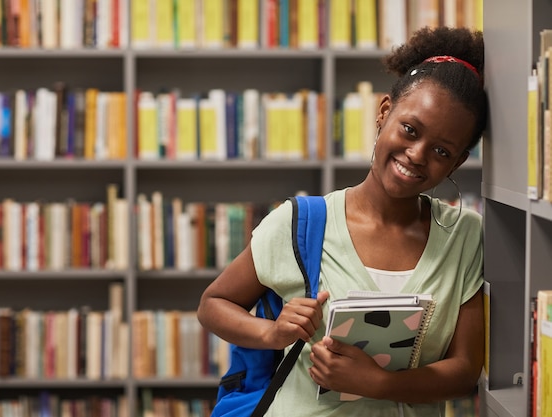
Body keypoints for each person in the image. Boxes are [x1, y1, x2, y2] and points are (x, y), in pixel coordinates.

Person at [197, 25, 487, 417]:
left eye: (441, 150)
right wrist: (272, 332)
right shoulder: (301, 221)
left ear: (458, 162)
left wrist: (380, 384)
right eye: (409, 129)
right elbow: (213, 303)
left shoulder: (465, 236)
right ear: (384, 113)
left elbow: (464, 371)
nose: (417, 154)